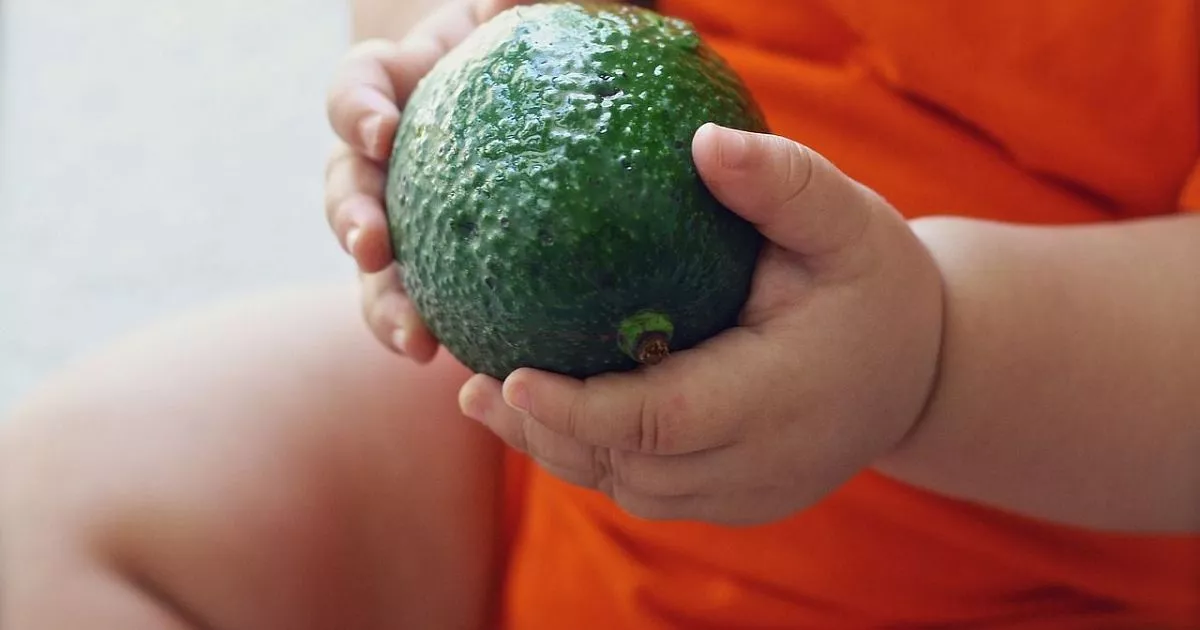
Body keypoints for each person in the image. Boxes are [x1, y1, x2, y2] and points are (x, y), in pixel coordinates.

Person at [2, 0, 1198, 627]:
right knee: (49, 522)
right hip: (541, 453)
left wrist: (929, 358)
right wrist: (451, 53)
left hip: (1046, 548)